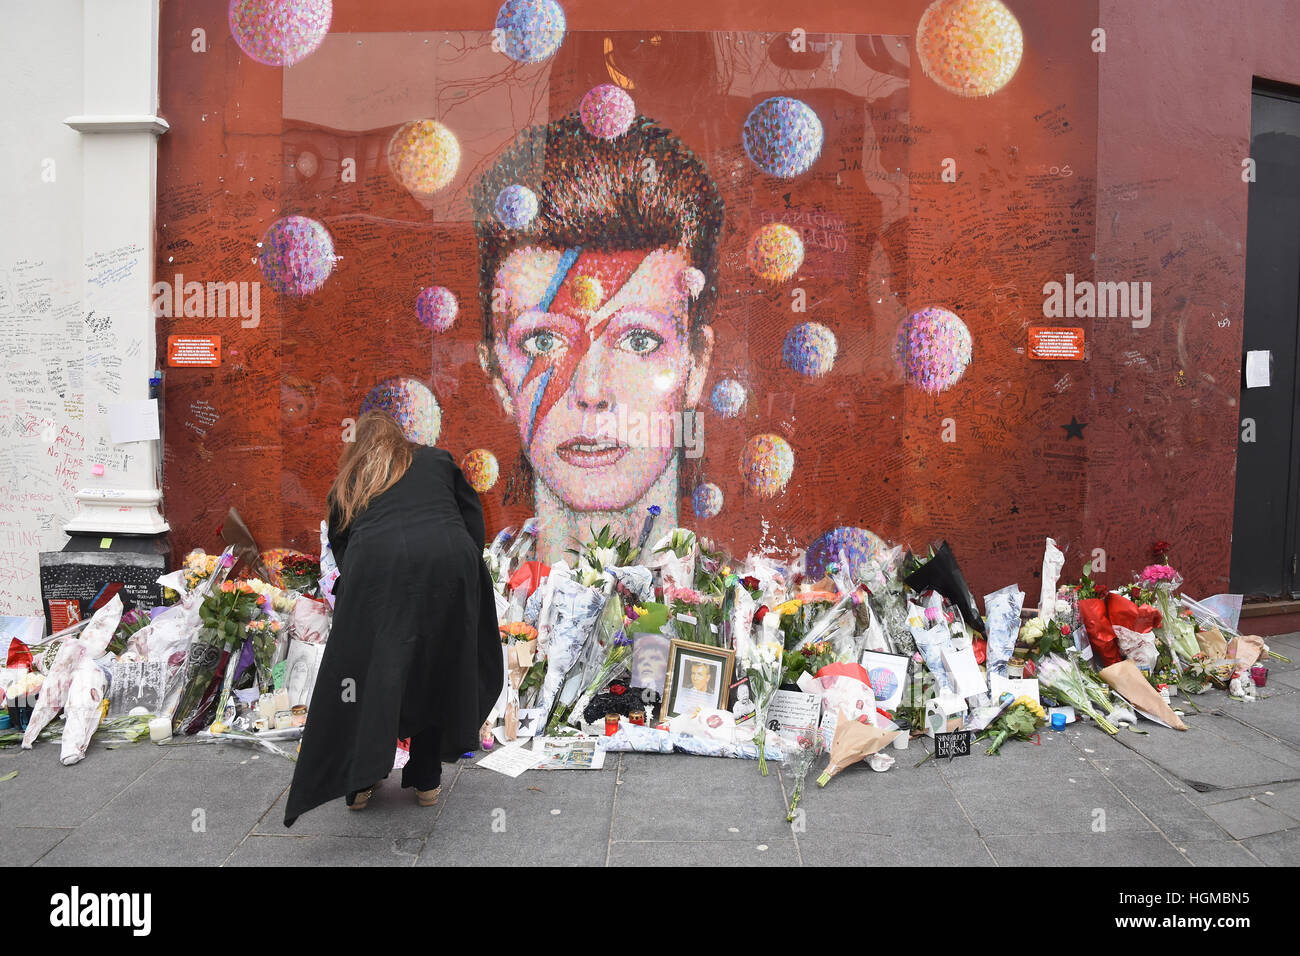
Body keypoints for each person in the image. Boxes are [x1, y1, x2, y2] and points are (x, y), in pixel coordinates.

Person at [472, 113, 725, 564]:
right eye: (544, 343)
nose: (589, 391)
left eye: (640, 341)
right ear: (496, 376)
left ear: (697, 365)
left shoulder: (753, 606)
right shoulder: (471, 605)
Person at [283, 411, 503, 825]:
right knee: (435, 665)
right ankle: (426, 780)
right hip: (448, 564)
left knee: (370, 674)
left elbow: (340, 540)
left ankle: (361, 782)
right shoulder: (436, 459)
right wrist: (462, 567)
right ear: (402, 439)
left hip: (379, 571)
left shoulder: (352, 477)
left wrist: (362, 590)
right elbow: (471, 516)